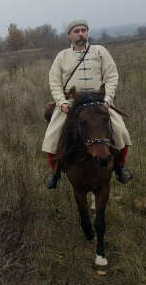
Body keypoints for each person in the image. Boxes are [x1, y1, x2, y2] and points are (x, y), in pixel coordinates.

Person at [42, 19, 132, 189]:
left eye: (84, 30)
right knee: (52, 137)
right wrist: (61, 102)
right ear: (70, 35)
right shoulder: (62, 56)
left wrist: (107, 99)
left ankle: (120, 167)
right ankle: (55, 173)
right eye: (76, 30)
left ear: (87, 32)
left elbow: (112, 76)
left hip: (99, 102)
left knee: (121, 132)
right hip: (72, 103)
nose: (81, 33)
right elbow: (54, 82)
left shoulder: (100, 51)